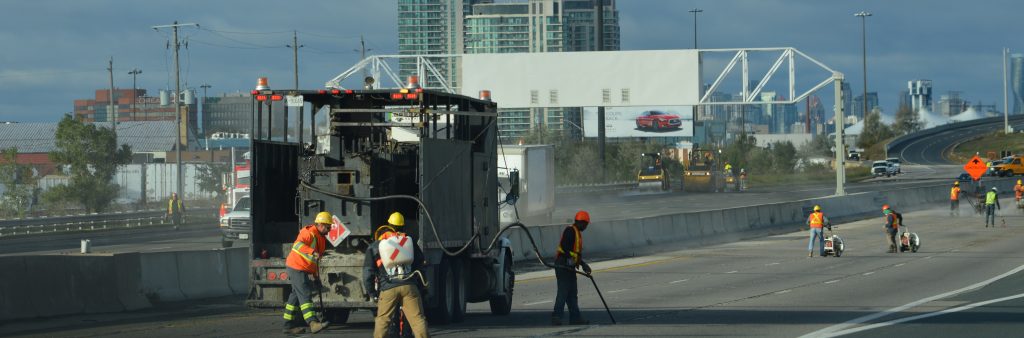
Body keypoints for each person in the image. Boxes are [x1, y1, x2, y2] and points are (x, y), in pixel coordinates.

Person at [364, 212, 429, 338]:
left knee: (383, 321)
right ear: (403, 227)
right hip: (409, 286)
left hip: (388, 288)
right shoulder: (410, 243)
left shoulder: (376, 245)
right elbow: (420, 265)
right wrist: (422, 288)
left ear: (388, 225)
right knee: (418, 320)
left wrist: (372, 293)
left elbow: (368, 272)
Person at [281, 211, 332, 334]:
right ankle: (313, 322)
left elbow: (315, 261)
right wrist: (311, 251)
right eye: (328, 226)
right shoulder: (309, 232)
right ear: (320, 225)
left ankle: (288, 326)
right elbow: (297, 246)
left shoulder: (321, 239)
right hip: (296, 266)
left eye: (330, 227)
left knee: (295, 296)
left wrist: (315, 277)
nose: (329, 229)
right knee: (305, 293)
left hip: (302, 268)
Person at [552, 210, 592, 326]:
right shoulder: (570, 231)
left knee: (572, 293)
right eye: (586, 224)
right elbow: (565, 247)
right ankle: (556, 316)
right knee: (563, 292)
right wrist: (572, 259)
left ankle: (575, 317)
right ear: (582, 222)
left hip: (569, 265)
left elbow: (574, 253)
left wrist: (583, 264)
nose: (586, 227)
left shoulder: (577, 232)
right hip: (563, 265)